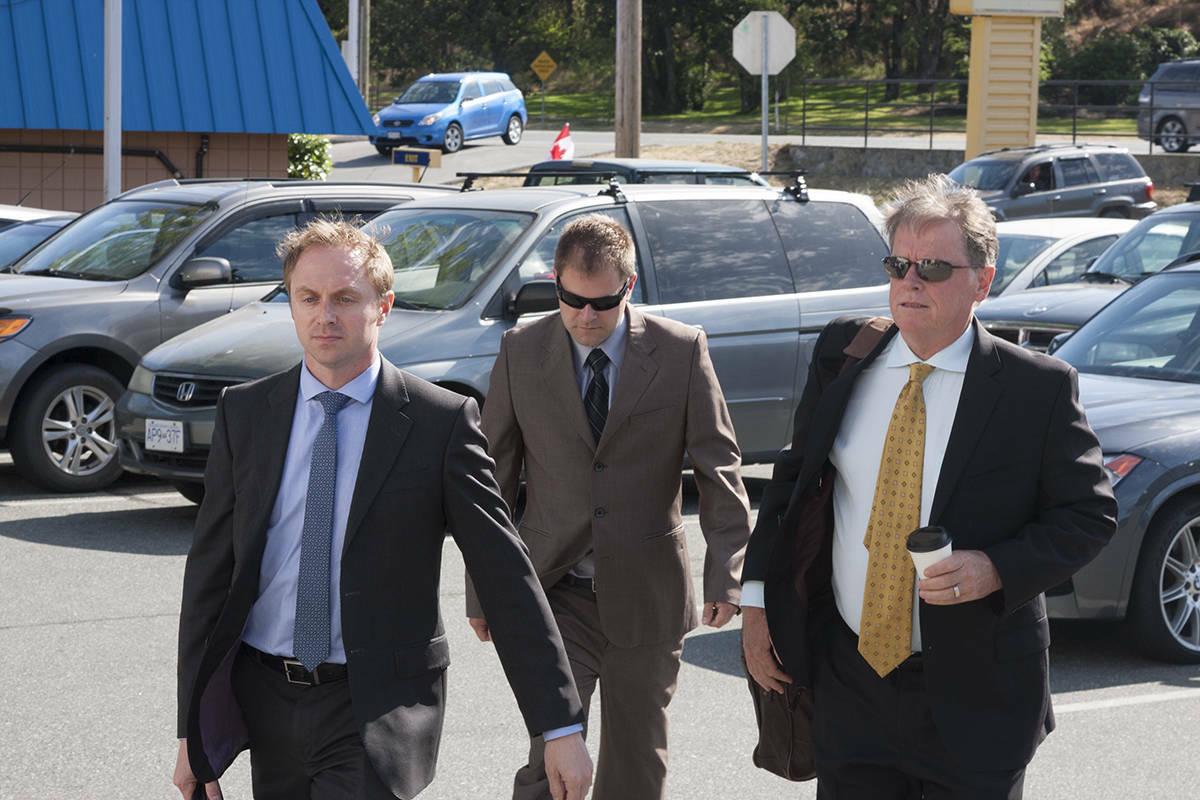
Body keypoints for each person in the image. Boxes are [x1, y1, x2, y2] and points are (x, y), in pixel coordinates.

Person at [173, 219, 592, 800]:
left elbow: (507, 577)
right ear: (290, 305)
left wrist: (559, 725)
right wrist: (191, 734)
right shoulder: (245, 413)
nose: (326, 316)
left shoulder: (439, 423)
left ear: (383, 306)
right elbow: (209, 581)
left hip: (374, 708)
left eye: (346, 298)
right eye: (309, 298)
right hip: (265, 699)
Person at [741, 174, 1117, 799]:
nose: (911, 282)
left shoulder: (1035, 388)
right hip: (850, 681)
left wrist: (995, 567)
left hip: (977, 698)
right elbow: (792, 484)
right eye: (899, 264)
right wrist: (757, 603)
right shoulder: (844, 354)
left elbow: (1089, 515)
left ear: (983, 280)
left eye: (935, 268)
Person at [467, 214, 751, 800]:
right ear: (556, 282)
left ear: (629, 286)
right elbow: (491, 482)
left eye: (602, 302)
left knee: (635, 766)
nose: (586, 316)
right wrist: (482, 588)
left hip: (648, 595)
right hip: (555, 591)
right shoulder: (521, 350)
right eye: (572, 299)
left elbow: (718, 468)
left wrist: (728, 571)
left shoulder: (680, 350)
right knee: (552, 759)